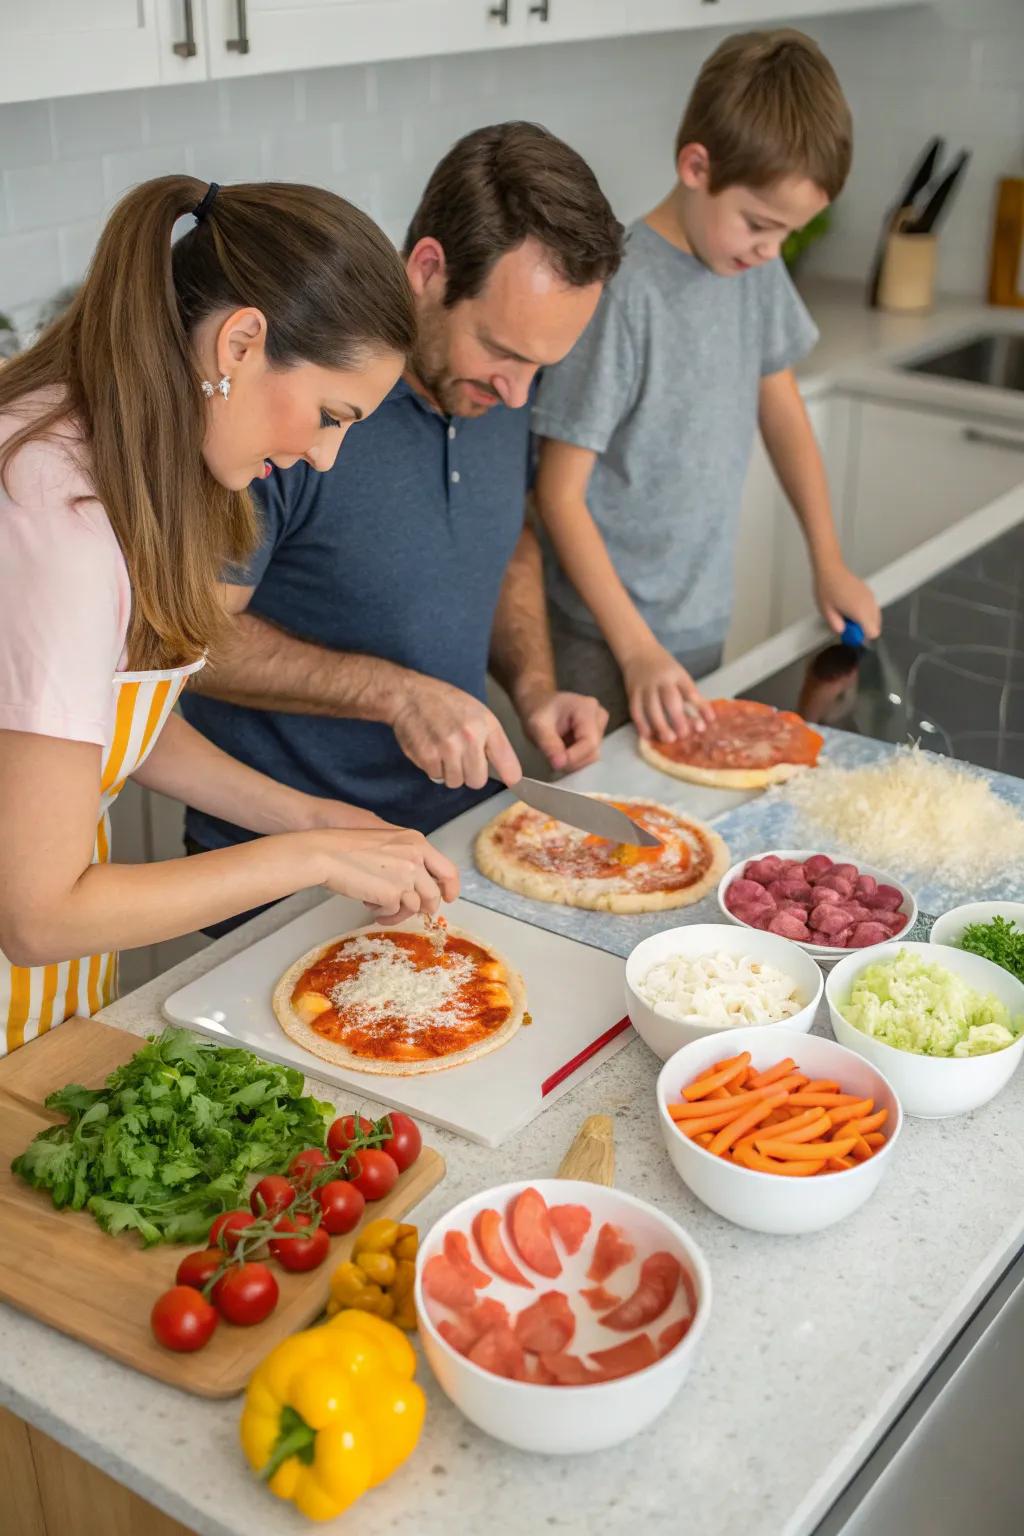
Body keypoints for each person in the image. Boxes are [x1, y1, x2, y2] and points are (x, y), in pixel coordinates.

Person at [0, 175, 459, 1056]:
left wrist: (307, 817)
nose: (323, 457)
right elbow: (36, 914)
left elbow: (100, 724)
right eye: (330, 416)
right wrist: (309, 860)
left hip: (52, 1001)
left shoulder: (119, 451)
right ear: (241, 342)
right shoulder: (61, 528)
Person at [182, 124, 623, 887]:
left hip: (458, 845)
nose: (520, 392)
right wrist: (392, 694)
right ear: (428, 268)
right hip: (284, 872)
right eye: (505, 352)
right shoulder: (292, 400)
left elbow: (506, 534)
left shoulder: (501, 385)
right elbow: (187, 642)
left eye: (541, 365)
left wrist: (535, 688)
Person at [532, 29, 881, 743]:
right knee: (607, 836)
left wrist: (829, 558)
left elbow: (781, 412)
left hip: (699, 618)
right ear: (696, 165)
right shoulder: (621, 291)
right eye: (759, 224)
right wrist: (634, 649)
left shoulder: (752, 272)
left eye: (786, 234)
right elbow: (558, 495)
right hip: (603, 635)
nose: (769, 250)